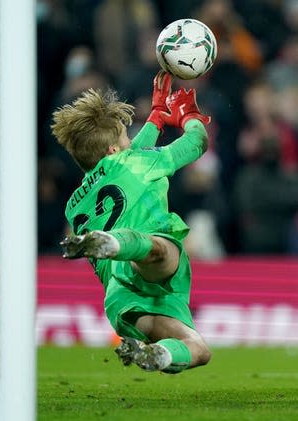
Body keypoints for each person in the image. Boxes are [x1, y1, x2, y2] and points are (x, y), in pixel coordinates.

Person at [51, 71, 212, 373]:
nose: (130, 140)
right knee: (161, 250)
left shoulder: (74, 206)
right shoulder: (135, 162)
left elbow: (130, 154)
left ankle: (158, 355)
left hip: (121, 298)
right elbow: (196, 143)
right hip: (140, 262)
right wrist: (189, 116)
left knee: (199, 350)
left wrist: (157, 116)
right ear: (113, 150)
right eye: (125, 136)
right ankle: (113, 242)